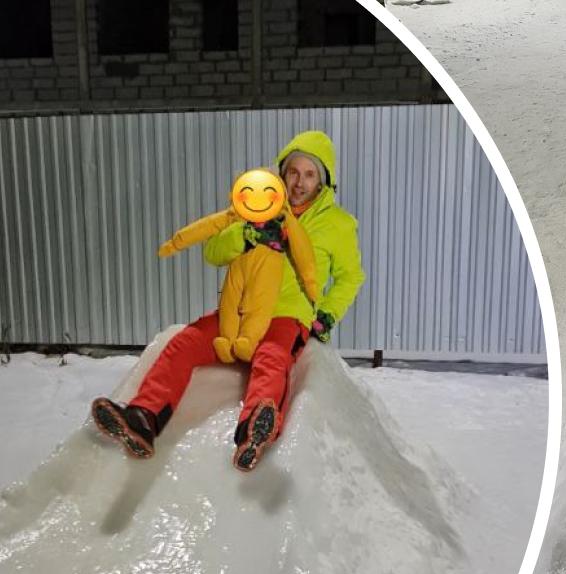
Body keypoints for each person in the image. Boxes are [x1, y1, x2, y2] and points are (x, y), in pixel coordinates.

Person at [90, 130, 366, 471]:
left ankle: (255, 429)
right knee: (185, 343)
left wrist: (327, 314)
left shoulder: (337, 224)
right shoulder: (255, 203)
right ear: (281, 173)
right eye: (293, 172)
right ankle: (143, 418)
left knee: (271, 359)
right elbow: (213, 252)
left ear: (323, 181)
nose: (299, 183)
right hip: (239, 312)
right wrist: (245, 235)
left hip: (288, 316)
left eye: (310, 175)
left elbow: (351, 276)